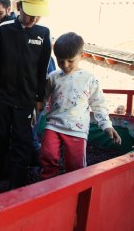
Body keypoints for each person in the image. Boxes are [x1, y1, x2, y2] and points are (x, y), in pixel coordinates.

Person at [0, 0, 53, 189]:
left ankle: (18, 180)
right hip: (4, 96)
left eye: (38, 14)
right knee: (1, 136)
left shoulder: (43, 33)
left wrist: (40, 98)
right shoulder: (4, 29)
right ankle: (2, 171)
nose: (33, 19)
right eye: (30, 13)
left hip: (26, 99)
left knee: (22, 139)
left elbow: (43, 69)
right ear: (19, 6)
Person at [39, 32, 122, 180]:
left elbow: (99, 104)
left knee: (75, 166)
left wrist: (106, 125)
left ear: (82, 55)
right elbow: (42, 99)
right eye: (60, 61)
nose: (65, 65)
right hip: (54, 125)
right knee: (48, 156)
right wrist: (34, 111)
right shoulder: (53, 77)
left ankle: (74, 190)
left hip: (77, 130)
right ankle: (47, 185)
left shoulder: (89, 79)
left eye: (70, 61)